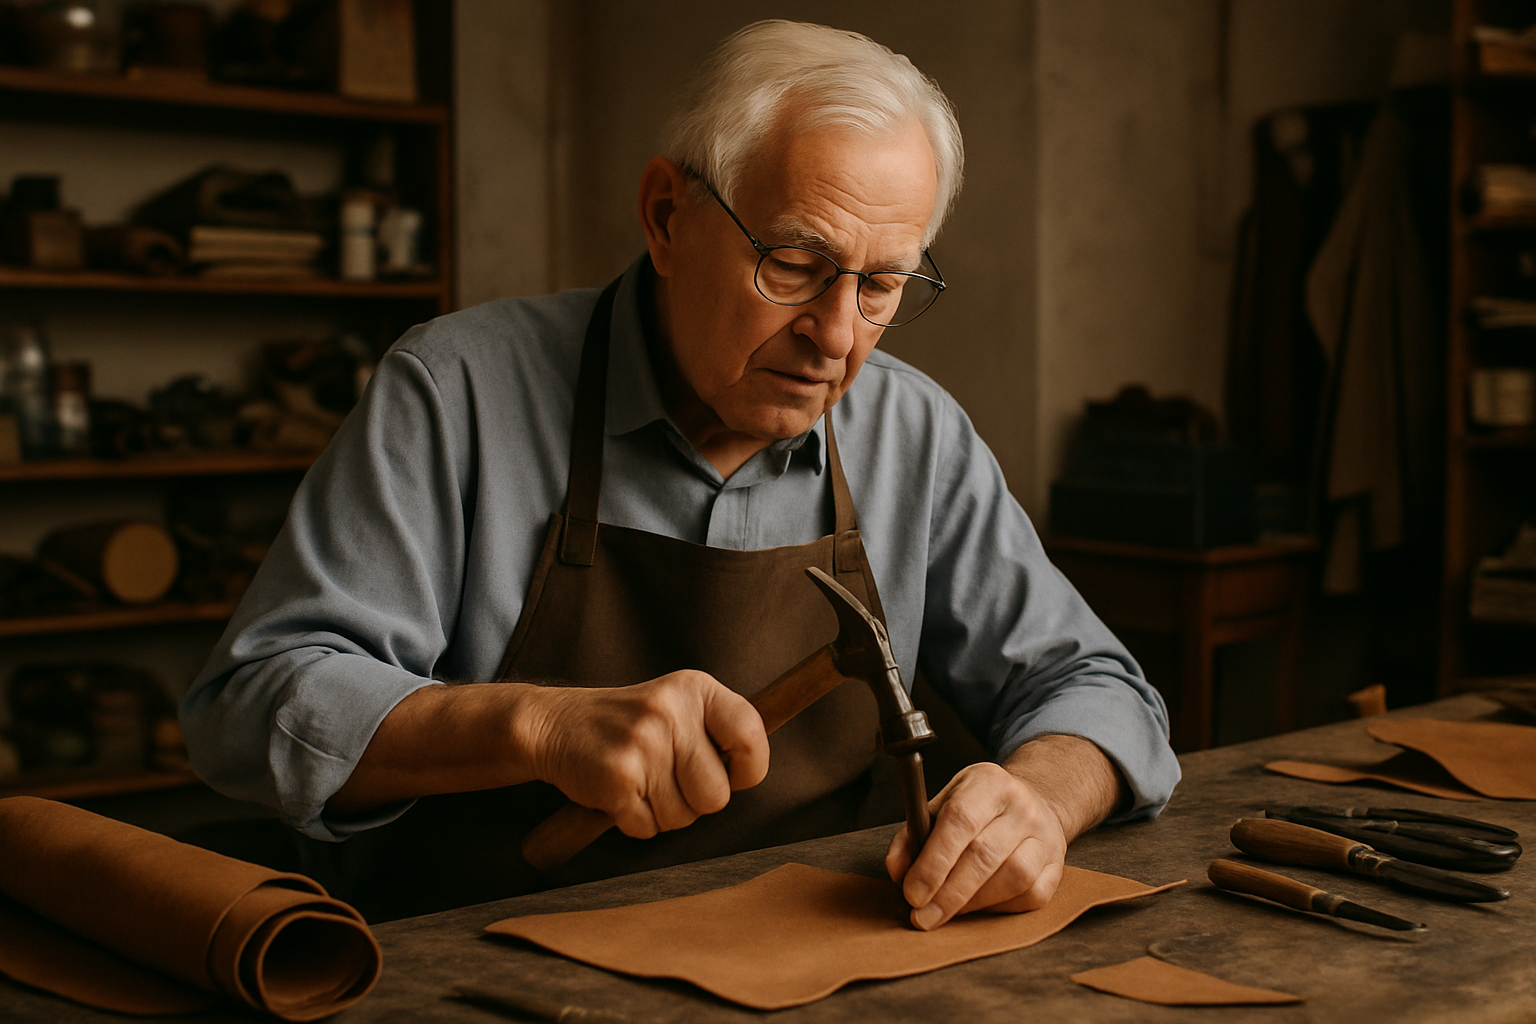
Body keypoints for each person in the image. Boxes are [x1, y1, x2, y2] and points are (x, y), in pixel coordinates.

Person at [183, 19, 1180, 926]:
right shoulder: (457, 392)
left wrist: (1042, 797)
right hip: (490, 958)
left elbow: (1097, 686)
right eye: (792, 264)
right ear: (666, 216)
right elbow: (252, 707)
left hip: (822, 959)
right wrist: (536, 722)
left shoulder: (915, 433)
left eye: (880, 285)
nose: (836, 337)